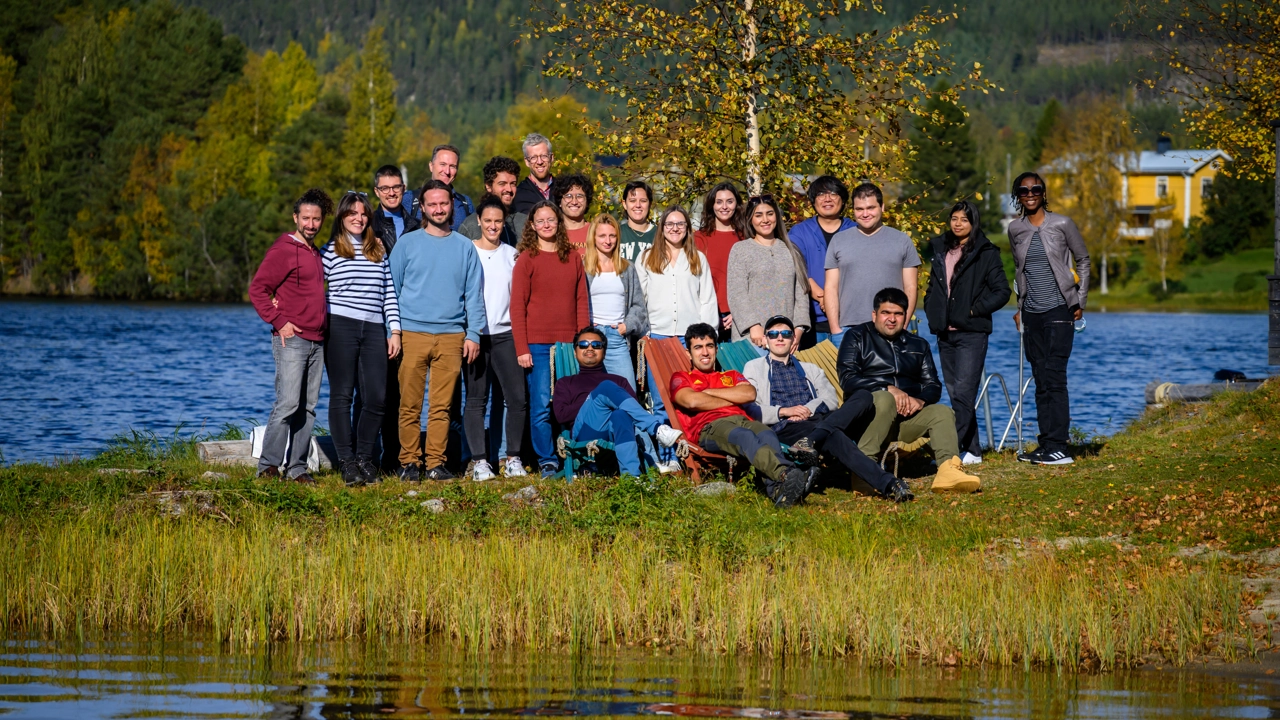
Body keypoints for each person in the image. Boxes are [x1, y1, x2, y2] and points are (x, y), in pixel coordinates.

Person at [743, 316, 912, 502]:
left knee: (864, 395)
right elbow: (751, 408)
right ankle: (889, 484)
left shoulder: (811, 369)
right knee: (833, 434)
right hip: (786, 426)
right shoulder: (753, 368)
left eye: (786, 333)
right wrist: (785, 411)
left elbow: (830, 399)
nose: (780, 338)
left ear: (793, 339)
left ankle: (810, 440)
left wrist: (807, 409)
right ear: (766, 340)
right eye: (774, 334)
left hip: (818, 419)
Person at [388, 179, 487, 481]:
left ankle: (435, 463)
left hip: (451, 335)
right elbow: (391, 289)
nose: (439, 209)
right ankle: (408, 463)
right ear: (423, 207)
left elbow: (474, 294)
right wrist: (393, 331)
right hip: (412, 333)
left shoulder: (464, 247)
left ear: (451, 206)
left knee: (442, 407)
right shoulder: (407, 243)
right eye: (432, 204)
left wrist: (474, 333)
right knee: (409, 405)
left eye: (443, 204)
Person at [837, 288, 981, 493]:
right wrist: (888, 389)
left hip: (903, 422)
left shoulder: (918, 344)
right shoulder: (857, 337)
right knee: (885, 399)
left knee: (942, 412)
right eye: (886, 313)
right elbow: (848, 378)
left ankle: (948, 471)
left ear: (905, 316)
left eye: (898, 314)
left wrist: (920, 400)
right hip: (866, 420)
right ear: (874, 314)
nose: (892, 319)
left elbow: (933, 385)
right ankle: (864, 471)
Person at [671, 323, 815, 508]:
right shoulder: (681, 377)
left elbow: (749, 394)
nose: (705, 352)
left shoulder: (731, 375)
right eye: (698, 347)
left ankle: (779, 491)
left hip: (742, 420)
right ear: (688, 353)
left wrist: (706, 393)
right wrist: (732, 397)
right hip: (710, 427)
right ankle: (787, 473)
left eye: (709, 346)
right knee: (745, 437)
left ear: (716, 348)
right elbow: (691, 401)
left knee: (767, 434)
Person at [248, 188, 334, 484]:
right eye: (306, 218)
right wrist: (279, 321)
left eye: (317, 219)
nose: (311, 224)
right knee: (287, 403)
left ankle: (296, 467)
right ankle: (269, 465)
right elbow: (258, 290)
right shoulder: (284, 249)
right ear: (296, 218)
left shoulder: (316, 253)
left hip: (317, 341)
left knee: (308, 407)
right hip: (292, 340)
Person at [1007, 172, 1091, 466]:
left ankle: (1060, 447)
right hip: (1031, 313)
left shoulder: (1063, 224)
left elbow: (1083, 259)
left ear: (1044, 192)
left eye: (1036, 189)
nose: (1030, 194)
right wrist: (1020, 306)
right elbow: (1020, 270)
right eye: (1024, 190)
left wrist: (1079, 300)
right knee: (1041, 379)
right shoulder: (1015, 229)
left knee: (1055, 378)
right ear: (1017, 195)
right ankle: (1046, 445)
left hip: (1059, 311)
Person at [322, 192, 403, 486]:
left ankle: (366, 459)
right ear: (342, 218)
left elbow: (388, 294)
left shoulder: (377, 251)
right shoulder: (329, 250)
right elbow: (308, 285)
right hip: (340, 327)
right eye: (352, 214)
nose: (358, 218)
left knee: (376, 398)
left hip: (373, 329)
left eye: (363, 214)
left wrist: (394, 330)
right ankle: (346, 462)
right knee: (342, 396)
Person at [922, 200, 1011, 465]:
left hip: (972, 333)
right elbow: (933, 288)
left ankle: (947, 451)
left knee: (963, 392)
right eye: (954, 218)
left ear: (973, 223)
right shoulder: (940, 248)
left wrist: (973, 311)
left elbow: (1002, 292)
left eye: (964, 219)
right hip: (944, 333)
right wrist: (932, 308)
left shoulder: (986, 252)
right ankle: (973, 451)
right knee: (957, 394)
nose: (958, 223)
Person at [511, 200, 591, 477]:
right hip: (538, 345)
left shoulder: (573, 257)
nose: (546, 225)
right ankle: (547, 459)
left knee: (574, 404)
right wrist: (522, 347)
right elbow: (517, 307)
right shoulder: (527, 259)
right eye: (540, 221)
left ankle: (576, 455)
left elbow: (582, 302)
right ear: (532, 225)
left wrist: (584, 343)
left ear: (559, 223)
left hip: (570, 345)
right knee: (542, 405)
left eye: (551, 220)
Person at [552, 327, 684, 477]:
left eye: (596, 345)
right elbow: (562, 415)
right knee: (605, 388)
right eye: (583, 344)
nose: (590, 348)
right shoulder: (566, 383)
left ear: (604, 351)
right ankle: (657, 429)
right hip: (586, 430)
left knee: (621, 414)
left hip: (616, 430)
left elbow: (633, 412)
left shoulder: (619, 381)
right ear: (575, 351)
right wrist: (595, 399)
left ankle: (631, 478)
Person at [462, 194, 529, 481]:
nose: (493, 226)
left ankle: (512, 458)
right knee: (477, 399)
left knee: (517, 399)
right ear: (478, 221)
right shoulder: (467, 252)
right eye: (487, 221)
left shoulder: (512, 255)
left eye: (498, 221)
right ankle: (480, 462)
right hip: (476, 336)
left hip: (505, 334)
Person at [636, 205, 719, 420]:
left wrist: (705, 339)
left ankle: (690, 448)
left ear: (687, 228)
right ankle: (667, 453)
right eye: (670, 224)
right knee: (661, 397)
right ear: (662, 227)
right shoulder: (646, 258)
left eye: (680, 223)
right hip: (657, 337)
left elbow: (707, 300)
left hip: (689, 339)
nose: (675, 228)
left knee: (692, 397)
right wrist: (644, 335)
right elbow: (639, 301)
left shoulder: (698, 258)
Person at [823, 183, 921, 345]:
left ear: (882, 207)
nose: (865, 214)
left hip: (891, 328)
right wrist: (836, 330)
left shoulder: (902, 241)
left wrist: (902, 326)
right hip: (848, 330)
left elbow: (910, 287)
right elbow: (831, 287)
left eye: (871, 208)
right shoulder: (839, 241)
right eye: (859, 209)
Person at [725, 194, 810, 347]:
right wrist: (752, 325)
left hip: (785, 339)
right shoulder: (741, 250)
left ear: (776, 216)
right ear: (750, 219)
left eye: (770, 214)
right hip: (751, 339)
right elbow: (737, 294)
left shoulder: (791, 250)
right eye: (758, 215)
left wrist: (798, 329)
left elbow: (801, 294)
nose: (765, 219)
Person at [583, 213, 648, 387]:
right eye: (602, 236)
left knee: (628, 393)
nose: (608, 241)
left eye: (612, 236)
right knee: (592, 394)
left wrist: (626, 326)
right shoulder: (583, 267)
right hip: (590, 339)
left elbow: (638, 305)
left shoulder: (627, 268)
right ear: (593, 237)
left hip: (616, 337)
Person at [788, 176, 854, 343]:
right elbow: (797, 271)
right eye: (821, 194)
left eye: (833, 193)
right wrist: (824, 298)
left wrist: (835, 299)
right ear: (813, 201)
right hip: (811, 321)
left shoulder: (855, 231)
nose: (827, 199)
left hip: (850, 319)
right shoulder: (799, 233)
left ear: (843, 199)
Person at [693, 182, 746, 342]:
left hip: (740, 316)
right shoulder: (698, 238)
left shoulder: (746, 237)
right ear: (712, 205)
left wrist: (737, 313)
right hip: (706, 315)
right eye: (719, 202)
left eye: (729, 201)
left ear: (737, 204)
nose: (724, 206)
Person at [458, 156, 526, 245]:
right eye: (502, 184)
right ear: (488, 186)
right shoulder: (471, 225)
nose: (509, 189)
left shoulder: (524, 222)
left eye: (513, 184)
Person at [371, 165, 420, 254]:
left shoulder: (418, 227)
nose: (391, 193)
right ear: (377, 192)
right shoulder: (368, 226)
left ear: (404, 188)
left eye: (396, 187)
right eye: (385, 188)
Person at [428, 144, 473, 231]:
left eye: (452, 166)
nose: (447, 171)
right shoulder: (411, 200)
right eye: (443, 164)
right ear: (431, 166)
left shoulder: (466, 203)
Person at [514, 133, 555, 214]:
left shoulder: (563, 190)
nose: (539, 162)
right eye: (533, 158)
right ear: (526, 162)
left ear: (551, 158)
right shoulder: (518, 195)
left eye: (544, 156)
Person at [618, 180, 656, 263]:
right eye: (632, 201)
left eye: (643, 201)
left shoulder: (661, 234)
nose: (638, 205)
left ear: (650, 204)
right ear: (624, 204)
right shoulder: (616, 233)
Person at [554, 173, 593, 254]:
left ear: (587, 201)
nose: (574, 202)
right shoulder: (551, 232)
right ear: (560, 202)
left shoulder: (596, 232)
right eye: (568, 196)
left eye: (579, 196)